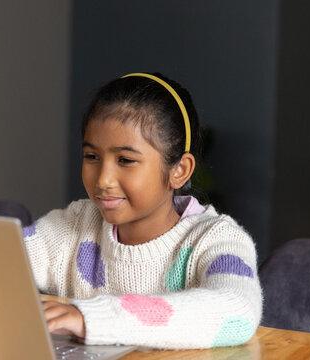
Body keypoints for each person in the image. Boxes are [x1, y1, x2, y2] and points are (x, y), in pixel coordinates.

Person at [23, 72, 262, 349]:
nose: (103, 179)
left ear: (179, 170)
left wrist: (92, 318)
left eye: (125, 160)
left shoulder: (216, 239)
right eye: (92, 157)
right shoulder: (72, 226)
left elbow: (236, 312)